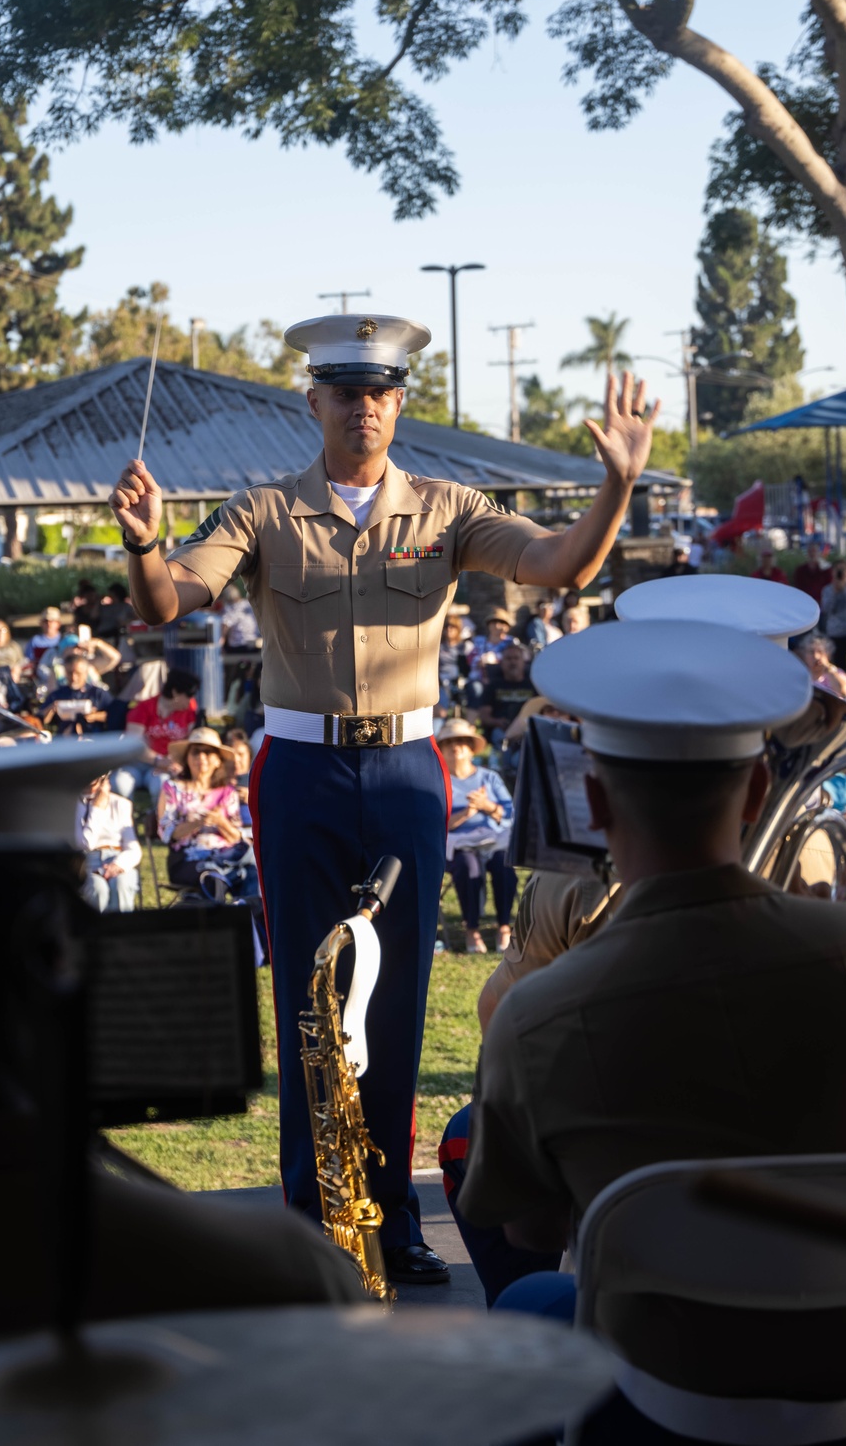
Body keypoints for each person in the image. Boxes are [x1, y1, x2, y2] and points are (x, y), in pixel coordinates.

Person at [108, 310, 658, 1286]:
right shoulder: (262, 509)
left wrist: (617, 487)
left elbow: (557, 565)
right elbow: (165, 603)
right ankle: (311, 1220)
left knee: (398, 999)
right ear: (313, 401)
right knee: (308, 999)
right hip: (301, 771)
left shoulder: (447, 507)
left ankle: (392, 1214)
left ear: (399, 402)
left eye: (380, 392)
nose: (364, 407)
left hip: (408, 769)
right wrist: (145, 543)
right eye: (345, 392)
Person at [459, 619, 846, 1410]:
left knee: (526, 1303)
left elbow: (524, 1228)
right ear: (760, 788)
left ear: (593, 800)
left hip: (662, 1404)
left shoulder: (537, 1016)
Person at [437, 718, 515, 954]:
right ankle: (472, 930)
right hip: (458, 845)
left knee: (505, 864)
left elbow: (511, 814)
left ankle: (504, 927)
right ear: (441, 749)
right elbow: (435, 825)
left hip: (493, 840)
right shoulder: (439, 781)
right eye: (449, 742)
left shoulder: (489, 778)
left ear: (472, 749)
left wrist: (487, 806)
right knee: (468, 866)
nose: (456, 747)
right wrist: (465, 814)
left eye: (462, 741)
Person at [158, 726, 255, 897]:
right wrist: (199, 822)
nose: (201, 757)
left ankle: (252, 922)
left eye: (208, 752)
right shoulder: (172, 789)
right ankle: (217, 921)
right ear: (187, 758)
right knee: (213, 879)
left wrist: (219, 821)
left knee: (253, 875)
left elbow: (235, 837)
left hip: (227, 857)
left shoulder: (228, 792)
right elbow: (167, 832)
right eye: (196, 752)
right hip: (187, 860)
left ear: (218, 760)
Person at [112, 667, 201, 801]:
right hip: (138, 763)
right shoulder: (144, 708)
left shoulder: (189, 709)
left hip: (168, 766)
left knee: (162, 786)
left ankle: (158, 821)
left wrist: (177, 762)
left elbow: (191, 740)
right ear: (175, 692)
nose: (191, 700)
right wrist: (158, 760)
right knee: (120, 783)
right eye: (188, 696)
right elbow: (134, 744)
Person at [76, 773, 142, 912]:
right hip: (86, 860)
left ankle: (123, 931)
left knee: (121, 883)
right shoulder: (72, 806)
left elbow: (133, 848)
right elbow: (86, 843)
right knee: (97, 888)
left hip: (116, 855)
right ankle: (98, 932)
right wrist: (97, 808)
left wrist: (119, 864)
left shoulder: (120, 803)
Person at [475, 642, 537, 748]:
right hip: (501, 730)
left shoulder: (533, 686)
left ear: (523, 662)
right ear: (502, 663)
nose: (512, 662)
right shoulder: (493, 686)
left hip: (527, 730)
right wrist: (497, 722)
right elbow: (484, 716)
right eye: (508, 659)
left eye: (516, 658)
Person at [40, 652, 111, 736]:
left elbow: (115, 715)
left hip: (93, 740)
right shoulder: (57, 695)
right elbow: (40, 720)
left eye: (78, 673)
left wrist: (95, 716)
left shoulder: (98, 693)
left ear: (86, 673)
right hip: (65, 741)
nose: (74, 677)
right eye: (70, 673)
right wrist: (51, 709)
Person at [796, 631, 846, 698]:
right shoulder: (799, 675)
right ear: (804, 655)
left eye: (820, 651)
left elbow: (845, 693)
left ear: (828, 654)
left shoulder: (837, 672)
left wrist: (830, 671)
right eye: (811, 652)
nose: (816, 656)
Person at [792, 539, 832, 606]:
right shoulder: (800, 571)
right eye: (810, 552)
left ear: (819, 553)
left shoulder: (826, 570)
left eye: (814, 551)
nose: (812, 554)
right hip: (805, 603)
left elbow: (830, 588)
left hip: (822, 604)